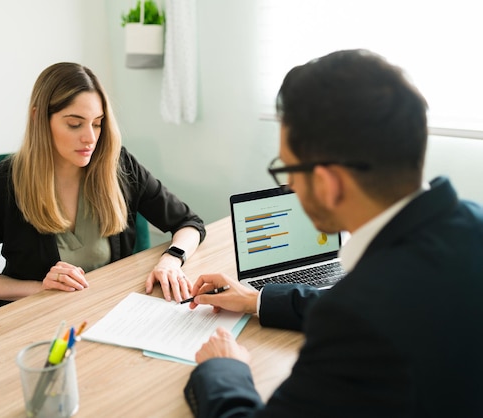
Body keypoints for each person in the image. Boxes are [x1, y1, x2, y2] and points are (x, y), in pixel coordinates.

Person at [184, 49, 483, 417]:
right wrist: (255, 300)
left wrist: (224, 369)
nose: (290, 185)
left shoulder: (356, 320)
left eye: (289, 170)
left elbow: (366, 316)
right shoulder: (471, 225)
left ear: (327, 183)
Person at [0, 62, 205, 311]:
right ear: (38, 118)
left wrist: (172, 260)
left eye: (97, 123)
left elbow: (189, 223)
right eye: (75, 124)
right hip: (35, 318)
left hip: (108, 312)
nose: (90, 138)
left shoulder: (118, 165)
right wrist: (41, 288)